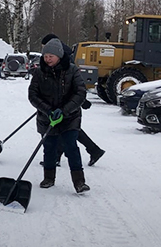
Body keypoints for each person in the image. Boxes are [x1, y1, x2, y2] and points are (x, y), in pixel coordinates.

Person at [28, 38, 90, 193]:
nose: (47, 59)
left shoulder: (72, 70)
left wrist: (64, 110)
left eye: (51, 56)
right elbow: (33, 95)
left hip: (70, 117)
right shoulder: (39, 72)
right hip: (46, 117)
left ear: (59, 56)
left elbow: (80, 93)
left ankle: (79, 182)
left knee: (71, 147)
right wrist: (48, 110)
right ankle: (48, 178)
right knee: (49, 147)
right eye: (46, 56)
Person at [41, 33, 106, 166]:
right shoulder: (63, 52)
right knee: (66, 127)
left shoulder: (62, 56)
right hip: (64, 98)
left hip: (65, 99)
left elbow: (69, 79)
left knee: (65, 128)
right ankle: (93, 150)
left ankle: (57, 157)